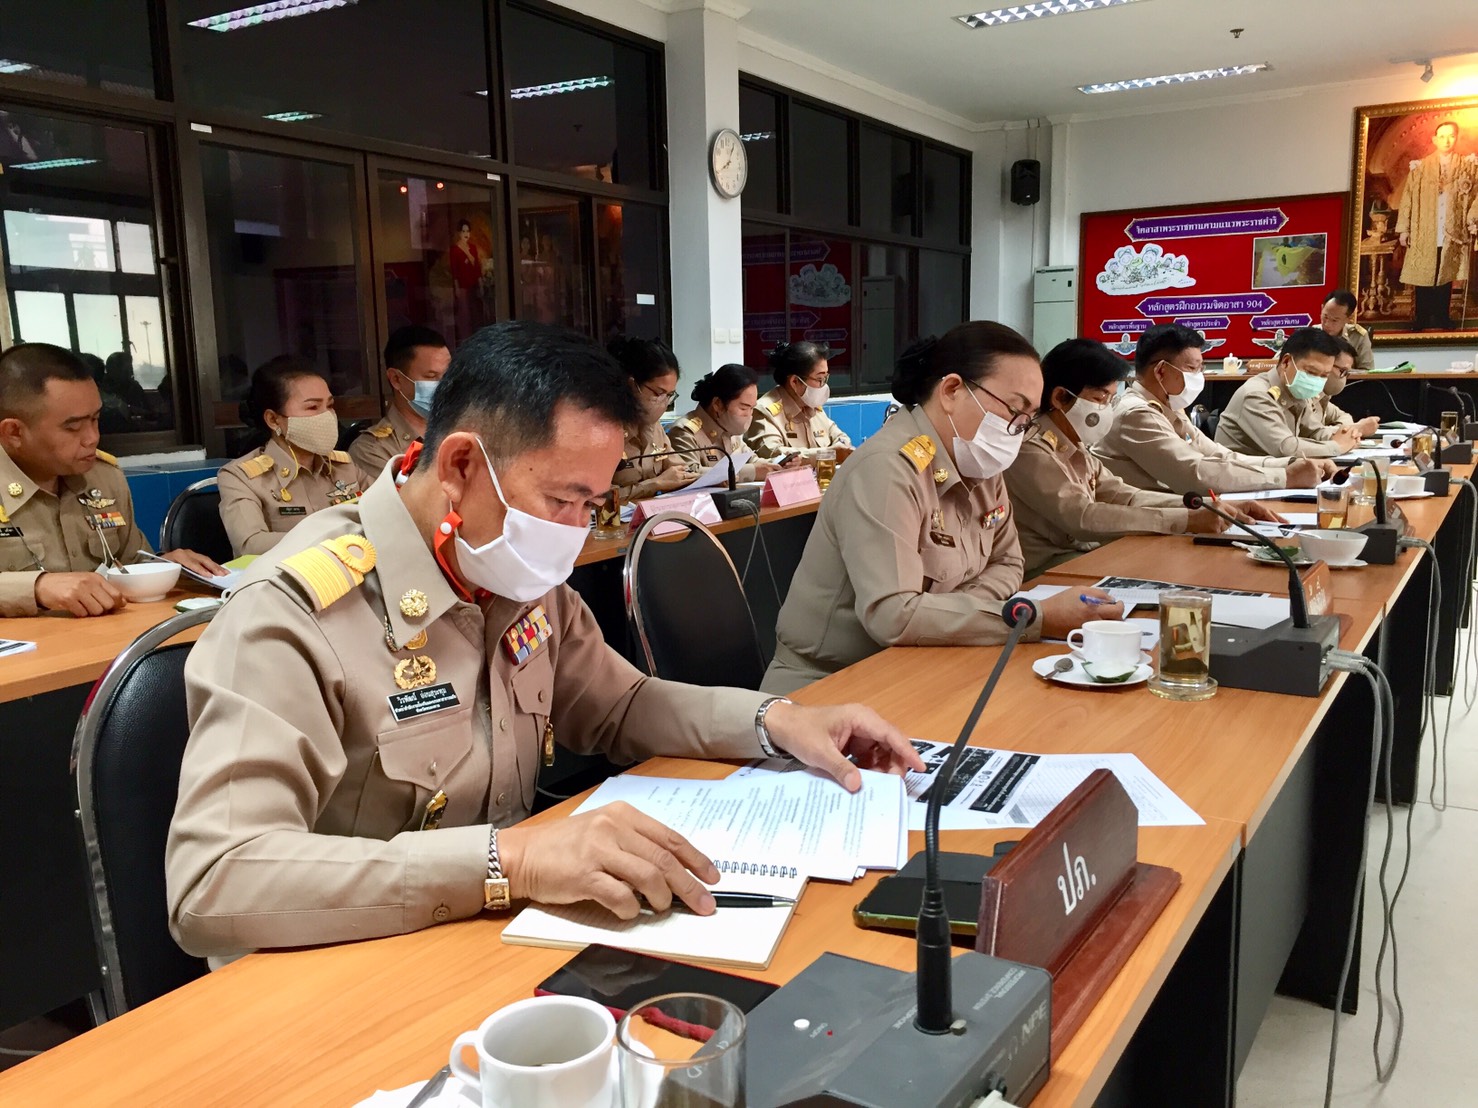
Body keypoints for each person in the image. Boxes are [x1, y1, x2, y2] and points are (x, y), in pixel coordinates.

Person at [165, 321, 922, 959]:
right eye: (562, 500)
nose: (573, 534)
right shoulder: (294, 613)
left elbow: (620, 706)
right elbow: (215, 880)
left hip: (497, 942)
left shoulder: (514, 573)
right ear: (462, 465)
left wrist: (774, 721)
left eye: (592, 503)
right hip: (350, 965)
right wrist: (511, 860)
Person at [761, 322, 1123, 696]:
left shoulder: (980, 464)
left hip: (927, 664)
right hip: (833, 685)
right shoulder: (888, 468)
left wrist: (945, 613)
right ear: (952, 390)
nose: (1017, 430)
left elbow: (1010, 562)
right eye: (1014, 410)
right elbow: (894, 617)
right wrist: (1035, 618)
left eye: (1027, 419)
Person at [1004, 339, 1288, 579]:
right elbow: (1082, 517)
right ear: (1059, 397)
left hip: (1084, 554)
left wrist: (1213, 508)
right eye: (1100, 398)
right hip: (1044, 571)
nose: (1106, 409)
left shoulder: (1074, 443)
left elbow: (1125, 495)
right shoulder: (1031, 448)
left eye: (1110, 399)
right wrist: (1186, 520)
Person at [0, 343, 223, 618]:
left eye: (95, 419)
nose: (92, 437)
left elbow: (128, 563)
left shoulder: (103, 478)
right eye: (72, 427)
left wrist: (162, 567)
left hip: (107, 646)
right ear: (13, 433)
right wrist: (37, 587)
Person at [1096, 324, 1331, 494]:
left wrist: (1289, 464)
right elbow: (1194, 473)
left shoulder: (1171, 406)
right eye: (1192, 368)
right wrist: (1285, 478)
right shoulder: (1135, 414)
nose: (1200, 377)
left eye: (1201, 368)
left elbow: (1220, 455)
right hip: (1135, 532)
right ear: (1160, 371)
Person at [217, 356, 373, 558]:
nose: (327, 416)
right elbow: (251, 545)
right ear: (273, 420)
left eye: (330, 405)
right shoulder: (241, 477)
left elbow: (389, 512)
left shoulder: (344, 466)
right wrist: (334, 537)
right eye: (312, 407)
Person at [1214, 327, 1378, 459]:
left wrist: (1350, 435)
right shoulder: (1256, 395)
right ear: (1286, 362)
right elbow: (1285, 448)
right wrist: (1337, 446)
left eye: (1324, 375)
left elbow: (1315, 432)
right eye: (1312, 372)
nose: (1317, 381)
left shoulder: (1295, 391)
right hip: (1240, 485)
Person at [1396, 120, 1478, 331]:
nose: (1446, 140)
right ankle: (1422, 317)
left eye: (1451, 135)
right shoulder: (1420, 168)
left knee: (1445, 275)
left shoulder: (1467, 166)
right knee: (1424, 274)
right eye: (1442, 136)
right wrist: (1404, 229)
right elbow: (1408, 199)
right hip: (1425, 229)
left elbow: (1475, 197)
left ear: (1456, 137)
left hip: (1452, 231)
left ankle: (1442, 316)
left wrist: (1473, 221)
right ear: (1434, 139)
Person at [349, 326, 450, 479]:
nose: (444, 384)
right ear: (396, 379)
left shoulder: (462, 430)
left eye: (448, 375)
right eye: (431, 376)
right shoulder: (372, 450)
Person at [666, 364, 782, 484]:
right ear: (718, 404)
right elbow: (688, 474)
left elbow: (752, 460)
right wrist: (751, 472)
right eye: (743, 408)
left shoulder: (728, 427)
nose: (749, 414)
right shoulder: (684, 432)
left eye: (752, 408)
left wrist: (777, 464)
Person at [609, 337, 695, 500]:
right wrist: (654, 485)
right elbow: (597, 499)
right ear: (632, 385)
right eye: (658, 393)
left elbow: (679, 470)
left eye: (669, 395)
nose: (663, 401)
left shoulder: (654, 426)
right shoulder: (605, 429)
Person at [745, 340, 852, 460]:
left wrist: (841, 447)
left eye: (825, 378)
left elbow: (841, 437)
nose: (823, 386)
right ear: (794, 381)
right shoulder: (764, 412)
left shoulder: (812, 406)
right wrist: (827, 454)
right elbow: (775, 453)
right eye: (819, 379)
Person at [1318, 290, 1374, 372]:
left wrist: (1342, 371)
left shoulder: (1358, 336)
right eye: (1325, 317)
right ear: (1322, 308)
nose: (1327, 324)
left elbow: (1367, 371)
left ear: (1348, 318)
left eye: (1334, 320)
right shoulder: (1311, 334)